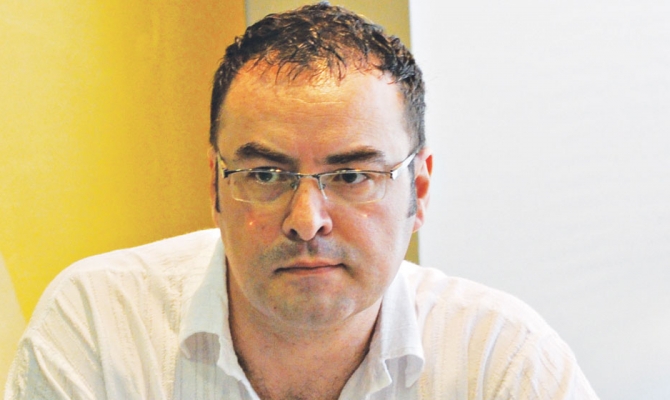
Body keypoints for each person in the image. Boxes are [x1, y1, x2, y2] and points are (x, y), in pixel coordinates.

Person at [5, 3, 599, 399]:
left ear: (418, 191)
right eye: (266, 174)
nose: (307, 221)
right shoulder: (101, 325)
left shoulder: (502, 360)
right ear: (215, 186)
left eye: (353, 176)